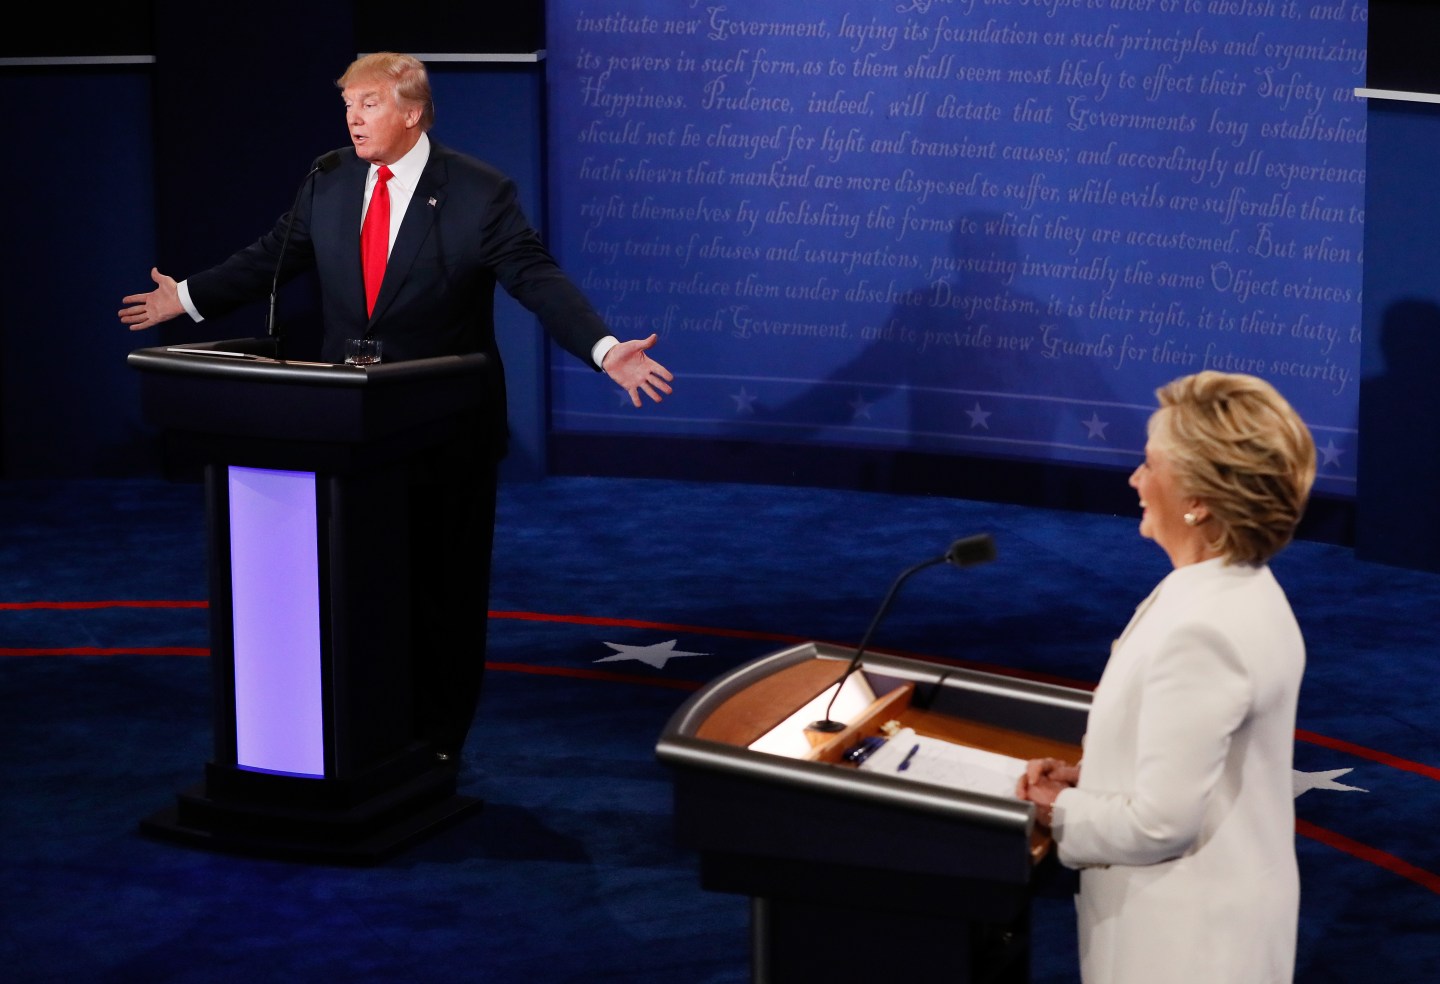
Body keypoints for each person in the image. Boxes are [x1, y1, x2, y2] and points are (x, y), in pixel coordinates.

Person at [118, 51, 674, 763]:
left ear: (412, 111)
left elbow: (536, 279)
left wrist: (603, 349)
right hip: (346, 433)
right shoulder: (329, 179)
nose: (353, 117)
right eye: (349, 103)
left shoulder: (479, 192)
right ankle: (365, 730)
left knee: (442, 594)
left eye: (370, 103)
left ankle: (439, 741)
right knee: (361, 591)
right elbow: (271, 258)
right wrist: (187, 297)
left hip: (443, 431)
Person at [1015, 371, 1316, 983]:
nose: (1135, 479)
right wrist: (1092, 778)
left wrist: (1060, 809)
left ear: (1198, 500)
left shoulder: (1202, 629)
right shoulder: (1242, 590)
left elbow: (1160, 823)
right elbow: (1199, 763)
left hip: (1184, 949)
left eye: (1150, 464)